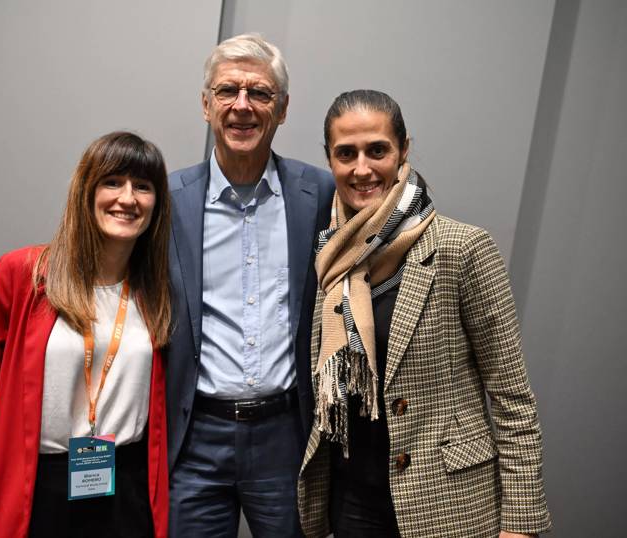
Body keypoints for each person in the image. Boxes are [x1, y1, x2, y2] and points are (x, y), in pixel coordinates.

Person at [298, 90, 551, 538]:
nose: (362, 168)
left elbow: (512, 398)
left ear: (403, 151)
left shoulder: (462, 248)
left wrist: (520, 523)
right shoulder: (330, 256)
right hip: (353, 502)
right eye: (345, 154)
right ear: (329, 159)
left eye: (377, 150)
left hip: (447, 502)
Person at [0, 131, 171, 538]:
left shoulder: (158, 292)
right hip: (37, 487)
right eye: (112, 182)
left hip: (127, 488)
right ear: (87, 190)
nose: (128, 198)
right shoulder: (23, 274)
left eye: (143, 186)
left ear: (157, 203)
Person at [166, 34, 334, 537]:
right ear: (205, 104)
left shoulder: (319, 192)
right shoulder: (169, 199)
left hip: (286, 434)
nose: (242, 106)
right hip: (195, 435)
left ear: (281, 109)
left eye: (259, 93)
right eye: (227, 91)